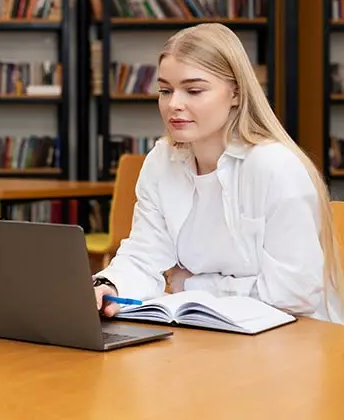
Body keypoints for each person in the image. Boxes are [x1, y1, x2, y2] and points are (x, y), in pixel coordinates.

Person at [92, 23, 344, 324]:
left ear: (235, 93)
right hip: (206, 331)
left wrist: (190, 284)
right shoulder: (161, 161)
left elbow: (293, 293)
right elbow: (144, 256)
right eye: (164, 90)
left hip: (292, 339)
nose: (174, 104)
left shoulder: (275, 167)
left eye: (194, 90)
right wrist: (109, 285)